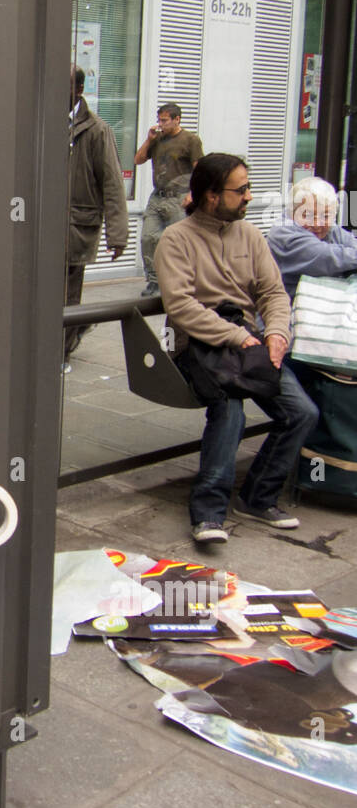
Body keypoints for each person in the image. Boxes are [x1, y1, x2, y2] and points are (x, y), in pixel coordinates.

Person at [155, 154, 318, 543]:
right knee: (229, 410)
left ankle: (257, 497)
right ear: (212, 196)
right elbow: (180, 306)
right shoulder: (175, 240)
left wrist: (277, 333)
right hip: (195, 344)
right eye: (241, 189)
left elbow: (272, 293)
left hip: (246, 340)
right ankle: (208, 512)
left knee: (302, 413)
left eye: (248, 187)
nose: (249, 196)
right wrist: (238, 336)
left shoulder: (250, 235)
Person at [65, 67, 128, 367]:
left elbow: (113, 184)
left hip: (75, 227)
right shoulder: (42, 120)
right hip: (39, 227)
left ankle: (61, 349)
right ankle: (71, 332)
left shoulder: (97, 130)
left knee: (67, 296)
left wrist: (117, 235)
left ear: (79, 90)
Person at [135, 102, 205, 295]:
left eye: (165, 120)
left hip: (179, 197)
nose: (161, 124)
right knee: (148, 238)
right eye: (159, 120)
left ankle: (180, 282)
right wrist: (149, 140)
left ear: (177, 119)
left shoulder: (190, 140)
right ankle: (154, 281)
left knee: (179, 241)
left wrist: (193, 193)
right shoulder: (157, 139)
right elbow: (138, 159)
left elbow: (200, 169)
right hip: (158, 195)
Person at [266, 176, 357, 301]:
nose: (317, 223)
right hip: (286, 313)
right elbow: (325, 256)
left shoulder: (330, 228)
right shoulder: (282, 232)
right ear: (292, 212)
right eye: (308, 215)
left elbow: (352, 245)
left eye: (325, 216)